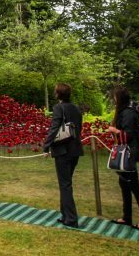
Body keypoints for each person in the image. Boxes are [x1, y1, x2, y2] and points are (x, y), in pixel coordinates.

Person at [107, 87, 139, 231]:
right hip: (125, 153)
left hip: (128, 154)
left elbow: (129, 135)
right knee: (124, 184)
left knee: (135, 187)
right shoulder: (125, 111)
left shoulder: (128, 113)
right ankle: (127, 216)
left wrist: (115, 131)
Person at [42, 82, 83, 227]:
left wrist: (46, 146)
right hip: (75, 150)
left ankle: (71, 218)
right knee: (66, 183)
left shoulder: (59, 108)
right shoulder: (76, 108)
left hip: (63, 151)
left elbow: (54, 128)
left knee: (65, 184)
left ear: (58, 94)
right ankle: (65, 214)